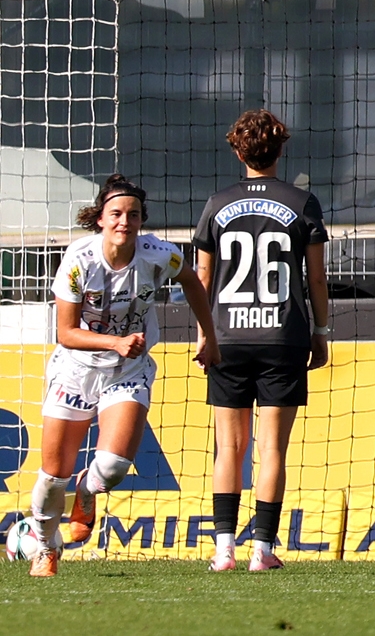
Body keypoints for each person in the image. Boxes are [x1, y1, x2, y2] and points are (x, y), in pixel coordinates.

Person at [28, 174, 221, 577]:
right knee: (51, 476)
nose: (124, 222)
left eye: (133, 215)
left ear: (140, 221)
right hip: (76, 370)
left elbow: (192, 281)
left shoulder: (159, 255)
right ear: (101, 218)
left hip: (128, 370)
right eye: (116, 213)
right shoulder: (78, 262)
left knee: (113, 466)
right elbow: (65, 333)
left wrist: (208, 335)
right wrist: (113, 342)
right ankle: (45, 547)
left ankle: (88, 490)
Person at [193, 109, 330, 572]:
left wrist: (203, 335)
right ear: (281, 148)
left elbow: (203, 277)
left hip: (227, 337)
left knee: (229, 448)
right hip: (282, 335)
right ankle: (263, 550)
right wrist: (321, 332)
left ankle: (223, 549)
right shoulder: (302, 202)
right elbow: (316, 280)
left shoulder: (217, 203)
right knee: (272, 448)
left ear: (237, 149)